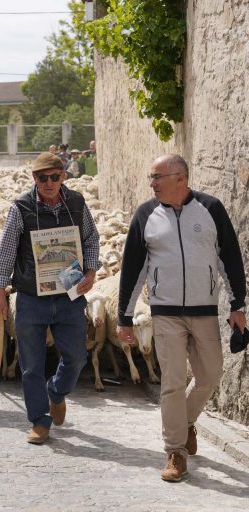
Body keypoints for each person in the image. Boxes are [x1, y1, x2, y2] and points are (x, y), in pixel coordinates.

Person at [117, 154, 246, 482]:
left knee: (210, 375)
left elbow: (230, 258)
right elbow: (133, 269)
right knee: (172, 382)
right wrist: (124, 317)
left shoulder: (211, 208)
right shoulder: (145, 214)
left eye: (157, 177)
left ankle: (184, 421)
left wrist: (238, 305)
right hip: (165, 313)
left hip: (204, 311)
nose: (152, 183)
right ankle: (175, 451)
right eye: (151, 177)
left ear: (180, 178)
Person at [0, 152, 100, 444]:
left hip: (69, 293)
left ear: (63, 176)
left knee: (77, 357)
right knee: (31, 365)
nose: (49, 182)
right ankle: (39, 420)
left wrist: (91, 271)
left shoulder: (76, 203)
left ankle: (57, 391)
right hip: (31, 297)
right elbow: (6, 251)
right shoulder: (21, 208)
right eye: (43, 178)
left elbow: (91, 238)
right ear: (34, 179)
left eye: (54, 176)